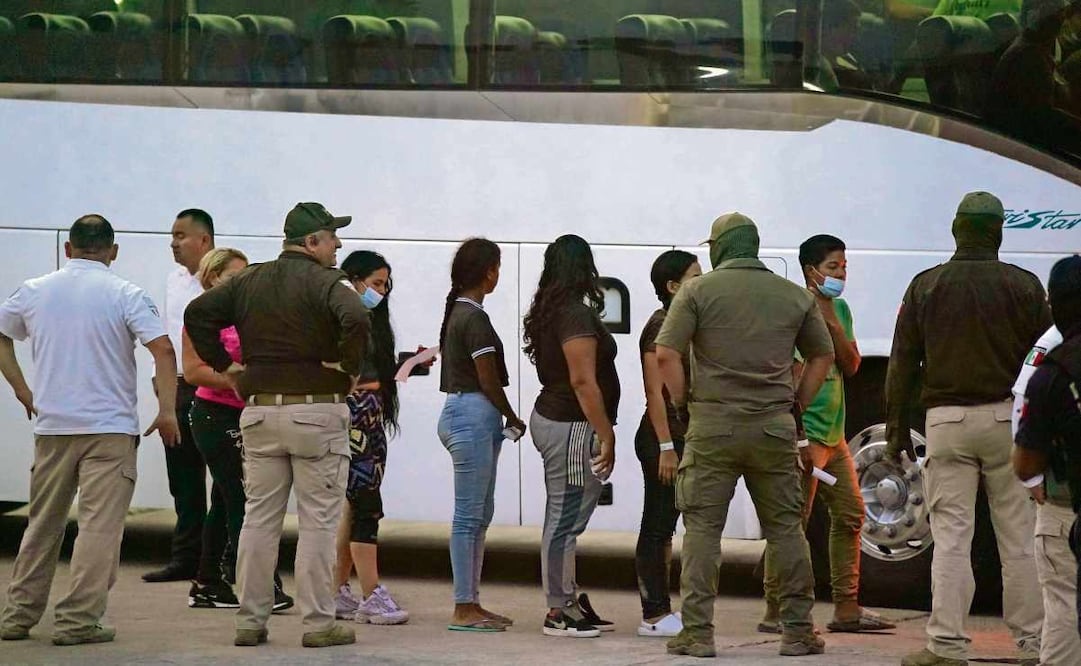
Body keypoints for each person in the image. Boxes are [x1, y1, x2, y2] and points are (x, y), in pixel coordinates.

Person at [185, 202, 368, 648]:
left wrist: (228, 368)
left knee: (258, 520)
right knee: (318, 523)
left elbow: (197, 315)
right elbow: (358, 318)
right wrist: (348, 367)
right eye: (331, 236)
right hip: (317, 412)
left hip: (260, 413)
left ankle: (250, 620)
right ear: (311, 243)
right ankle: (319, 623)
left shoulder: (250, 279)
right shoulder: (329, 282)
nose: (338, 244)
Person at [656, 213, 833, 658]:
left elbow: (665, 353)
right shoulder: (793, 295)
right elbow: (821, 356)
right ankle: (796, 631)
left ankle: (697, 633)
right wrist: (795, 405)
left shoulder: (697, 291)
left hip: (713, 425)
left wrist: (683, 404)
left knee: (701, 531)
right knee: (786, 530)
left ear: (720, 247)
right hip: (773, 427)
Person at [0, 215, 179, 645]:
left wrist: (24, 390)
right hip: (110, 429)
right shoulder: (127, 294)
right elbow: (163, 349)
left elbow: (2, 335)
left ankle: (17, 617)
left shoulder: (34, 291)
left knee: (42, 524)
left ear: (68, 248)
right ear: (113, 251)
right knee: (100, 529)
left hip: (53, 427)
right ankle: (78, 621)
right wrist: (167, 410)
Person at [887, 191, 1048, 666]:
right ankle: (1033, 644)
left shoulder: (926, 285)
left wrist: (897, 428)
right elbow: (1045, 363)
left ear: (955, 230)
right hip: (1006, 421)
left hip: (946, 423)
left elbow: (903, 364)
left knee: (952, 538)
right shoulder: (1025, 286)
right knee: (1018, 538)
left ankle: (946, 645)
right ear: (998, 232)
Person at [760, 234, 894, 634]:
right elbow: (790, 375)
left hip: (834, 436)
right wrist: (796, 434)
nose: (841, 274)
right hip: (806, 434)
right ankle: (774, 610)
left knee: (851, 514)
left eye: (844, 266)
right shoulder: (793, 310)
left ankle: (846, 608)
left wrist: (834, 324)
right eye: (833, 267)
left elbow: (852, 365)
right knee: (791, 523)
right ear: (810, 271)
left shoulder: (840, 309)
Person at [181, 248, 293, 613]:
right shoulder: (202, 317)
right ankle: (260, 585)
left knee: (224, 499)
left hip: (245, 414)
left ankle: (208, 580)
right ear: (214, 278)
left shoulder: (247, 314)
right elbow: (194, 371)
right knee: (242, 497)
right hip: (214, 414)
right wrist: (239, 379)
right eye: (234, 277)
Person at [522, 234, 619, 639]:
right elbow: (582, 381)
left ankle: (568, 598)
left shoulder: (551, 309)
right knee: (565, 519)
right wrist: (605, 432)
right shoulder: (575, 314)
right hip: (572, 426)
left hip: (560, 421)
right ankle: (557, 611)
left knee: (567, 517)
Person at [436, 238, 524, 633]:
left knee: (478, 514)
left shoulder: (459, 312)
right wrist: (511, 415)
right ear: (489, 271)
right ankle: (463, 606)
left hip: (465, 413)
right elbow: (487, 377)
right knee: (470, 516)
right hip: (473, 414)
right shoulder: (474, 318)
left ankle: (471, 601)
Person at [332, 250, 409, 626]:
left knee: (354, 504)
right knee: (365, 501)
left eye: (385, 284)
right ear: (355, 279)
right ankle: (371, 594)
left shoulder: (368, 320)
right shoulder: (347, 317)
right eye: (376, 283)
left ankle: (336, 590)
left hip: (370, 411)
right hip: (358, 415)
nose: (381, 291)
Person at [1013, 255, 1081, 664]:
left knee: (1062, 610)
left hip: (1066, 507)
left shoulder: (1051, 372)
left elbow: (1025, 465)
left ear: (1052, 304)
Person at [144, 208, 216, 584]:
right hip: (180, 386)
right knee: (183, 478)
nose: (173, 243)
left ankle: (221, 560)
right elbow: (167, 338)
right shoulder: (173, 280)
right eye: (172, 236)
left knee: (224, 478)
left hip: (215, 388)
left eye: (180, 235)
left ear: (204, 240)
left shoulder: (222, 278)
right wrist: (163, 384)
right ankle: (186, 557)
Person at [634, 250, 701, 638]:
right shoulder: (660, 324)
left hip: (682, 438)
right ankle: (654, 613)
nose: (703, 282)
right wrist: (665, 447)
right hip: (663, 439)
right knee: (657, 526)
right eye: (695, 277)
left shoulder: (689, 321)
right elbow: (654, 392)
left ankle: (664, 607)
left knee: (669, 526)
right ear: (673, 287)